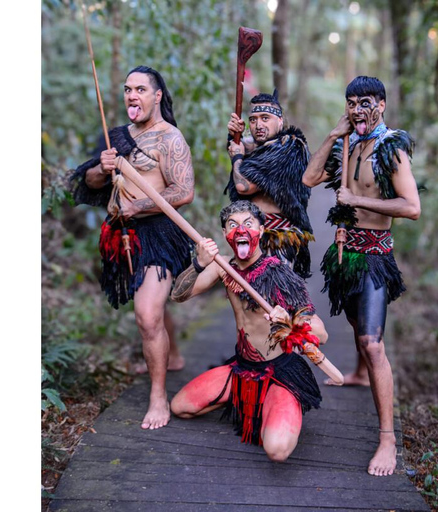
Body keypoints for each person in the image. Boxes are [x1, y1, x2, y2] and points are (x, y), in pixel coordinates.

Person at [302, 76, 421, 477]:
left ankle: (387, 438)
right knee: (357, 327)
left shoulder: (392, 149)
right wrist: (333, 135)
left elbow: (411, 206)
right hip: (343, 256)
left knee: (372, 343)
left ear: (382, 105)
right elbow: (309, 178)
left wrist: (357, 199)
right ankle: (356, 372)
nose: (357, 110)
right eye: (351, 103)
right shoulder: (346, 142)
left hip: (374, 256)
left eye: (365, 102)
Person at [68, 66, 195, 430]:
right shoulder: (117, 136)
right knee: (148, 305)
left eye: (140, 89)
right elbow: (90, 180)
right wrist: (102, 167)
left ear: (157, 96)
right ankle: (173, 355)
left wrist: (139, 206)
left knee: (147, 314)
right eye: (127, 89)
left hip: (158, 232)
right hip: (121, 234)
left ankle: (158, 397)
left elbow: (183, 191)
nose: (131, 96)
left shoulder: (170, 138)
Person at [169, 200, 328, 462]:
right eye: (232, 225)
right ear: (224, 234)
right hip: (242, 368)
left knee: (276, 450)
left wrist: (290, 320)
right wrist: (198, 263)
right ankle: (246, 400)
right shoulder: (223, 267)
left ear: (262, 230)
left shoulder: (279, 274)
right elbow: (178, 295)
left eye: (248, 224)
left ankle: (282, 402)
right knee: (180, 407)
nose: (240, 230)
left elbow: (321, 333)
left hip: (280, 371)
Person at [225, 90, 315, 279]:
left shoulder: (289, 147)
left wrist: (237, 157)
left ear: (280, 121)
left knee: (276, 302)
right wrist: (234, 136)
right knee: (250, 304)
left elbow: (244, 186)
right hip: (251, 238)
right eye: (253, 119)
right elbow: (250, 145)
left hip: (277, 241)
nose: (258, 125)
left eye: (265, 118)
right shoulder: (263, 147)